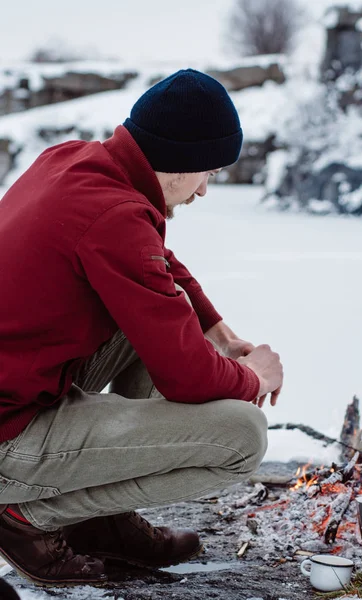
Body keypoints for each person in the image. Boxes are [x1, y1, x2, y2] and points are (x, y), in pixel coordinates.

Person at [0, 69, 283, 587]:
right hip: (7, 438)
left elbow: (157, 262)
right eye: (208, 171)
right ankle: (28, 518)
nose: (203, 190)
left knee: (157, 318)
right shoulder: (115, 215)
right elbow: (189, 379)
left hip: (18, 389)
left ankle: (98, 521)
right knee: (243, 436)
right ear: (176, 159)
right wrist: (256, 377)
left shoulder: (76, 160)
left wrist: (217, 329)